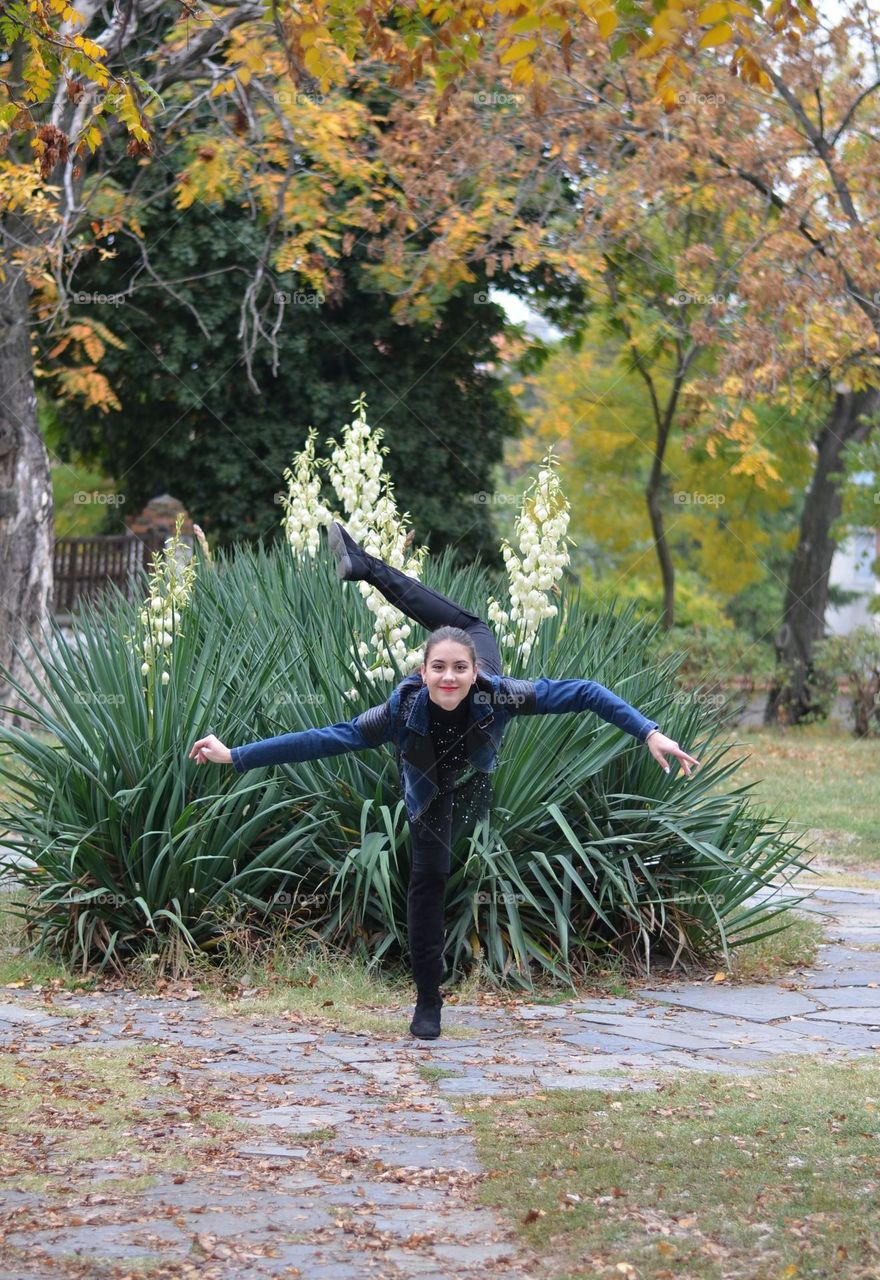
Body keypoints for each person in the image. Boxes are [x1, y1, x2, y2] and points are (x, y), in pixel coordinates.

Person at [189, 522, 699, 1040]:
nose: (449, 677)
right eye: (439, 669)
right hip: (431, 785)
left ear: (474, 672)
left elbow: (586, 693)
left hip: (474, 737)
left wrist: (649, 733)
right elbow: (326, 737)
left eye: (459, 669)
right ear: (423, 670)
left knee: (469, 625)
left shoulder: (501, 692)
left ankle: (365, 567)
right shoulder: (398, 710)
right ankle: (427, 1000)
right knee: (427, 884)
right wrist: (236, 755)